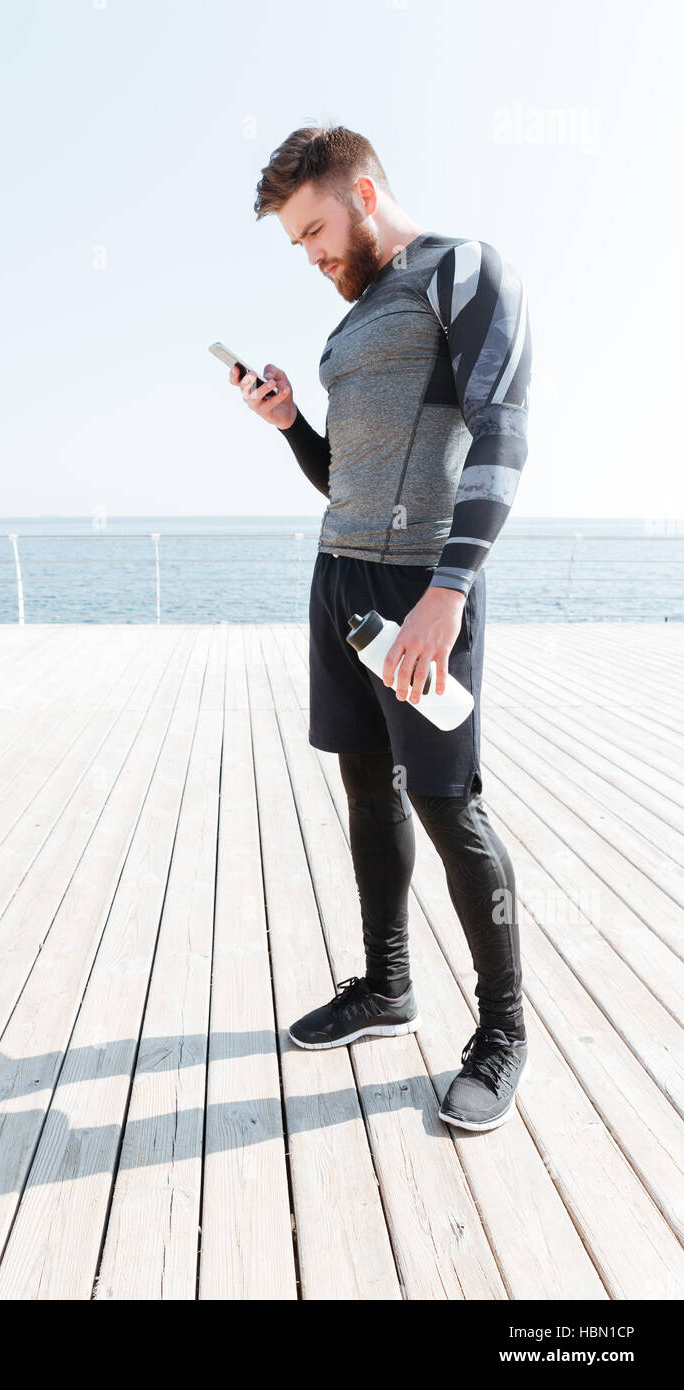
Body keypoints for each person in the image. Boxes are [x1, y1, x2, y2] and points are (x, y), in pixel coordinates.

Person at [227, 123, 532, 1133]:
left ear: (361, 192)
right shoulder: (356, 319)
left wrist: (447, 593)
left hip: (420, 588)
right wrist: (290, 428)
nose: (309, 254)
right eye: (295, 243)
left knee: (448, 805)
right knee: (366, 786)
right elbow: (342, 478)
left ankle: (500, 1032)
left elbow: (499, 431)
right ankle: (385, 986)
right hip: (340, 576)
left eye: (313, 229)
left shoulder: (460, 270)